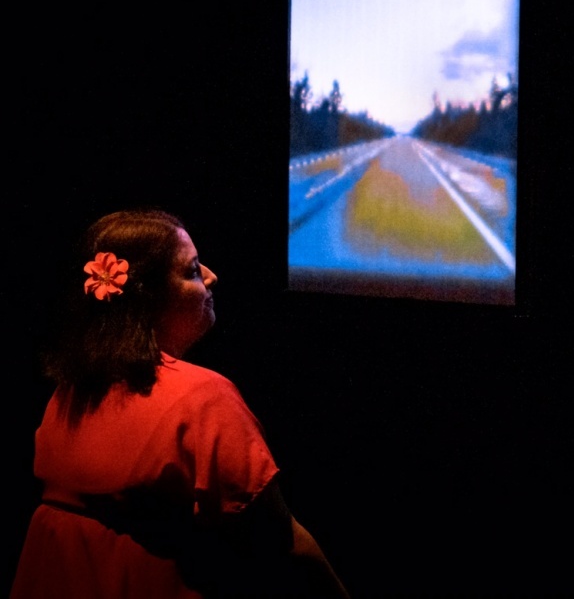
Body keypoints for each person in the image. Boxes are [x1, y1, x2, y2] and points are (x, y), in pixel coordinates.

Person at [11, 209, 351, 598]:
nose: (211, 277)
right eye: (191, 271)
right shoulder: (202, 398)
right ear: (149, 298)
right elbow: (282, 544)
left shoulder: (70, 392)